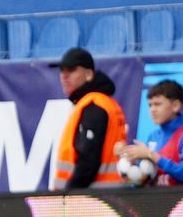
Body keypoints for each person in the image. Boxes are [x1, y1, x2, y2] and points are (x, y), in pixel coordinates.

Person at [51, 47, 127, 191]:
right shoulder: (101, 102)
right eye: (62, 70)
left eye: (71, 70)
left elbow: (88, 160)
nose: (64, 76)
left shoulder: (94, 105)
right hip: (105, 196)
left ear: (88, 74)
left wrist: (68, 194)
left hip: (92, 200)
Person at [117, 79, 183, 188]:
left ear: (175, 105)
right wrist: (131, 159)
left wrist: (151, 155)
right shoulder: (153, 136)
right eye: (150, 105)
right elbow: (146, 177)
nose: (152, 110)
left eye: (157, 104)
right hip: (155, 202)